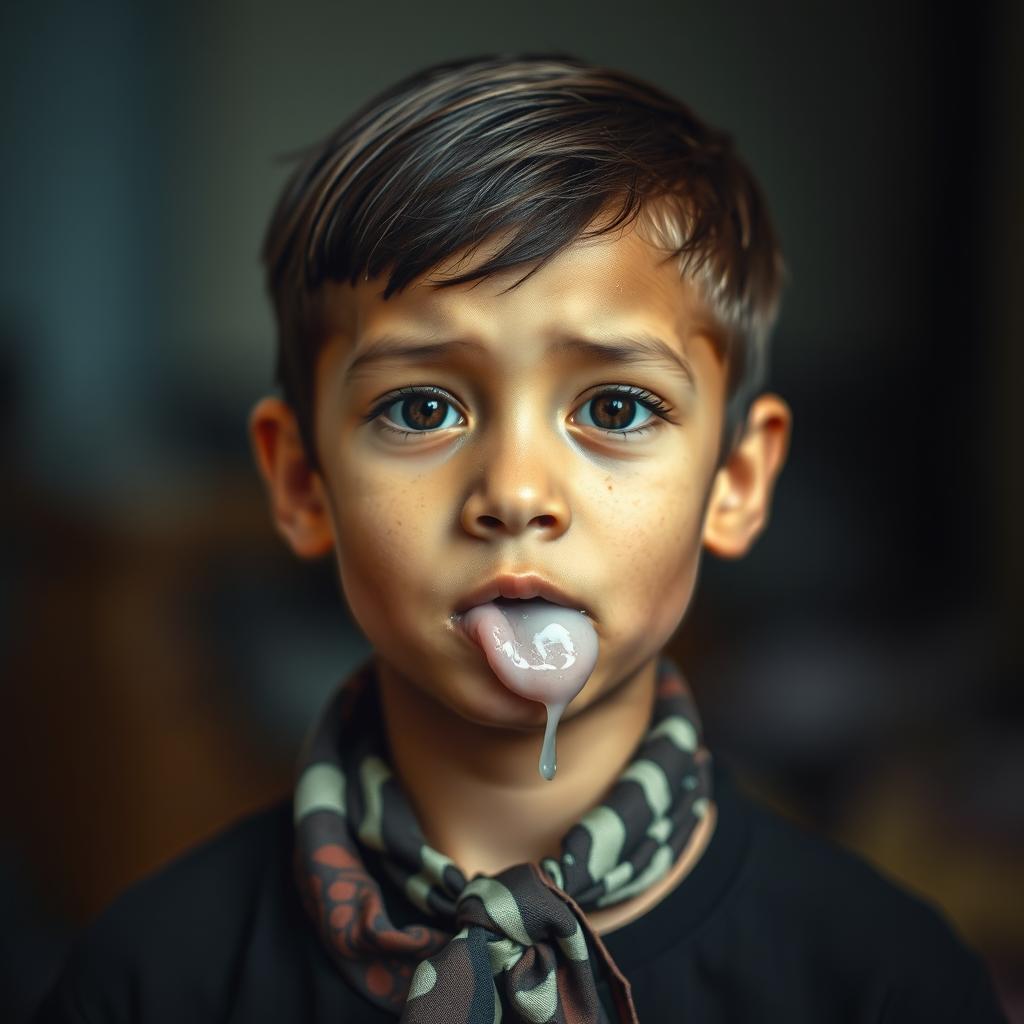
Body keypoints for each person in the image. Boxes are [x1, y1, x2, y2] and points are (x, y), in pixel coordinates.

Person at [35, 55, 1008, 1023]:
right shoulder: (150, 977)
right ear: (301, 482)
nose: (514, 492)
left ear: (735, 481)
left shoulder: (885, 981)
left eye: (616, 405)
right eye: (420, 407)